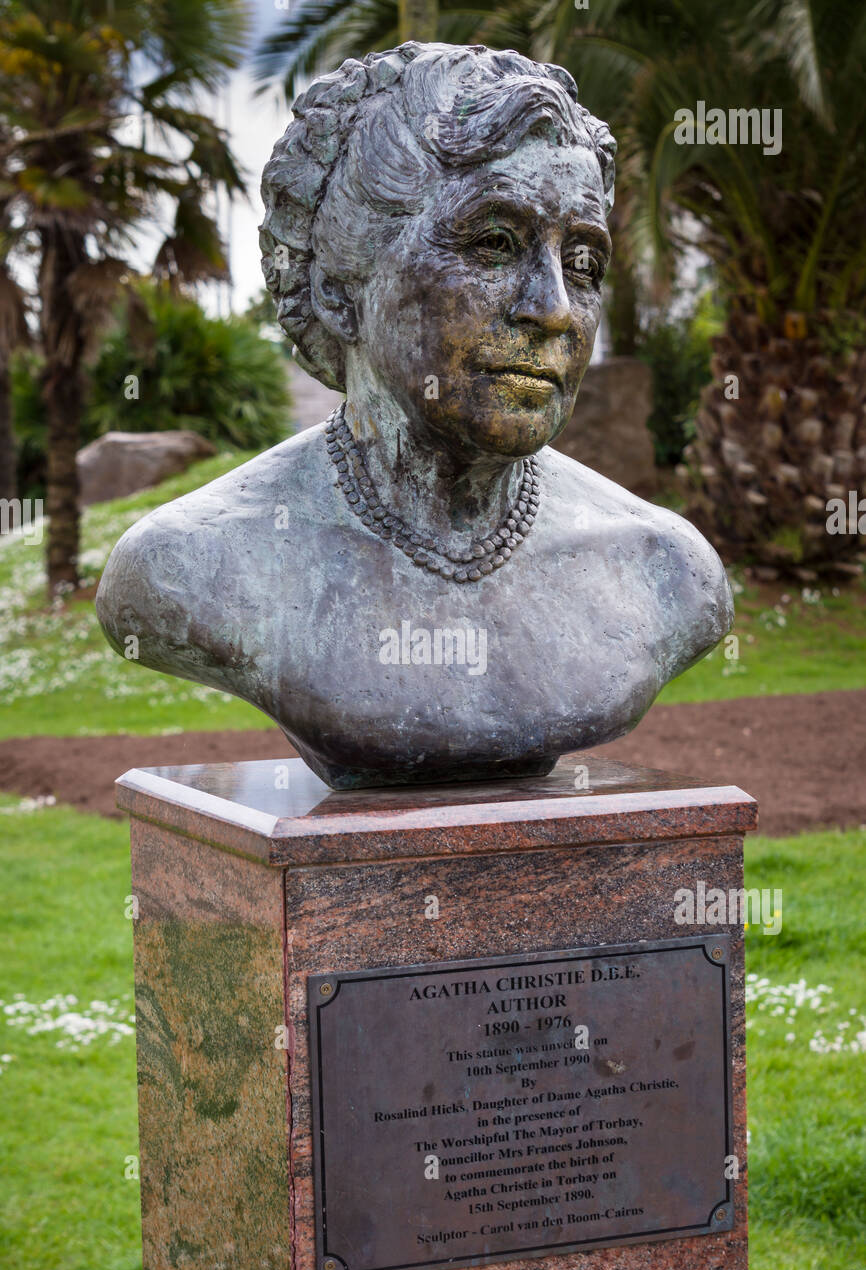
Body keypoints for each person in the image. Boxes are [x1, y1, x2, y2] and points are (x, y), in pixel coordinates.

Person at [96, 42, 732, 789]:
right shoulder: (190, 566)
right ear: (340, 291)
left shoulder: (664, 571)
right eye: (495, 244)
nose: (554, 309)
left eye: (584, 263)